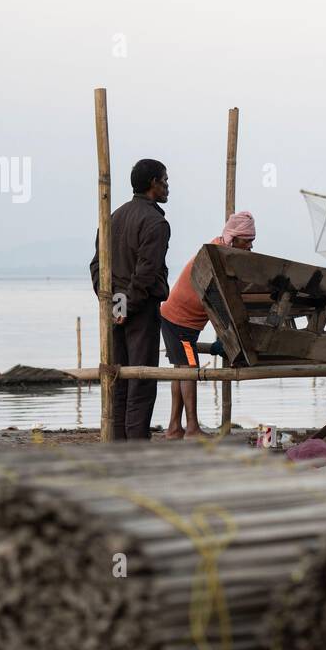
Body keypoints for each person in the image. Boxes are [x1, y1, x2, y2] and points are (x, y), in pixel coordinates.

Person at [89, 158, 171, 440]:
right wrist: (125, 306)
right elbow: (146, 274)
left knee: (119, 380)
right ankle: (135, 447)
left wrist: (114, 303)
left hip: (117, 309)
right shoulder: (155, 222)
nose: (167, 186)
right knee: (140, 380)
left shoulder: (112, 218)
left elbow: (97, 268)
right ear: (153, 184)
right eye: (164, 181)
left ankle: (120, 445)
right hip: (139, 311)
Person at [158, 211, 257, 438]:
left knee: (180, 371)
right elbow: (220, 305)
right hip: (180, 324)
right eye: (247, 241)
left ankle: (174, 427)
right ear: (234, 238)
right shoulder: (215, 260)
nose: (250, 246)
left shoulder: (218, 251)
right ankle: (192, 427)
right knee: (189, 369)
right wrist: (228, 339)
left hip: (179, 323)